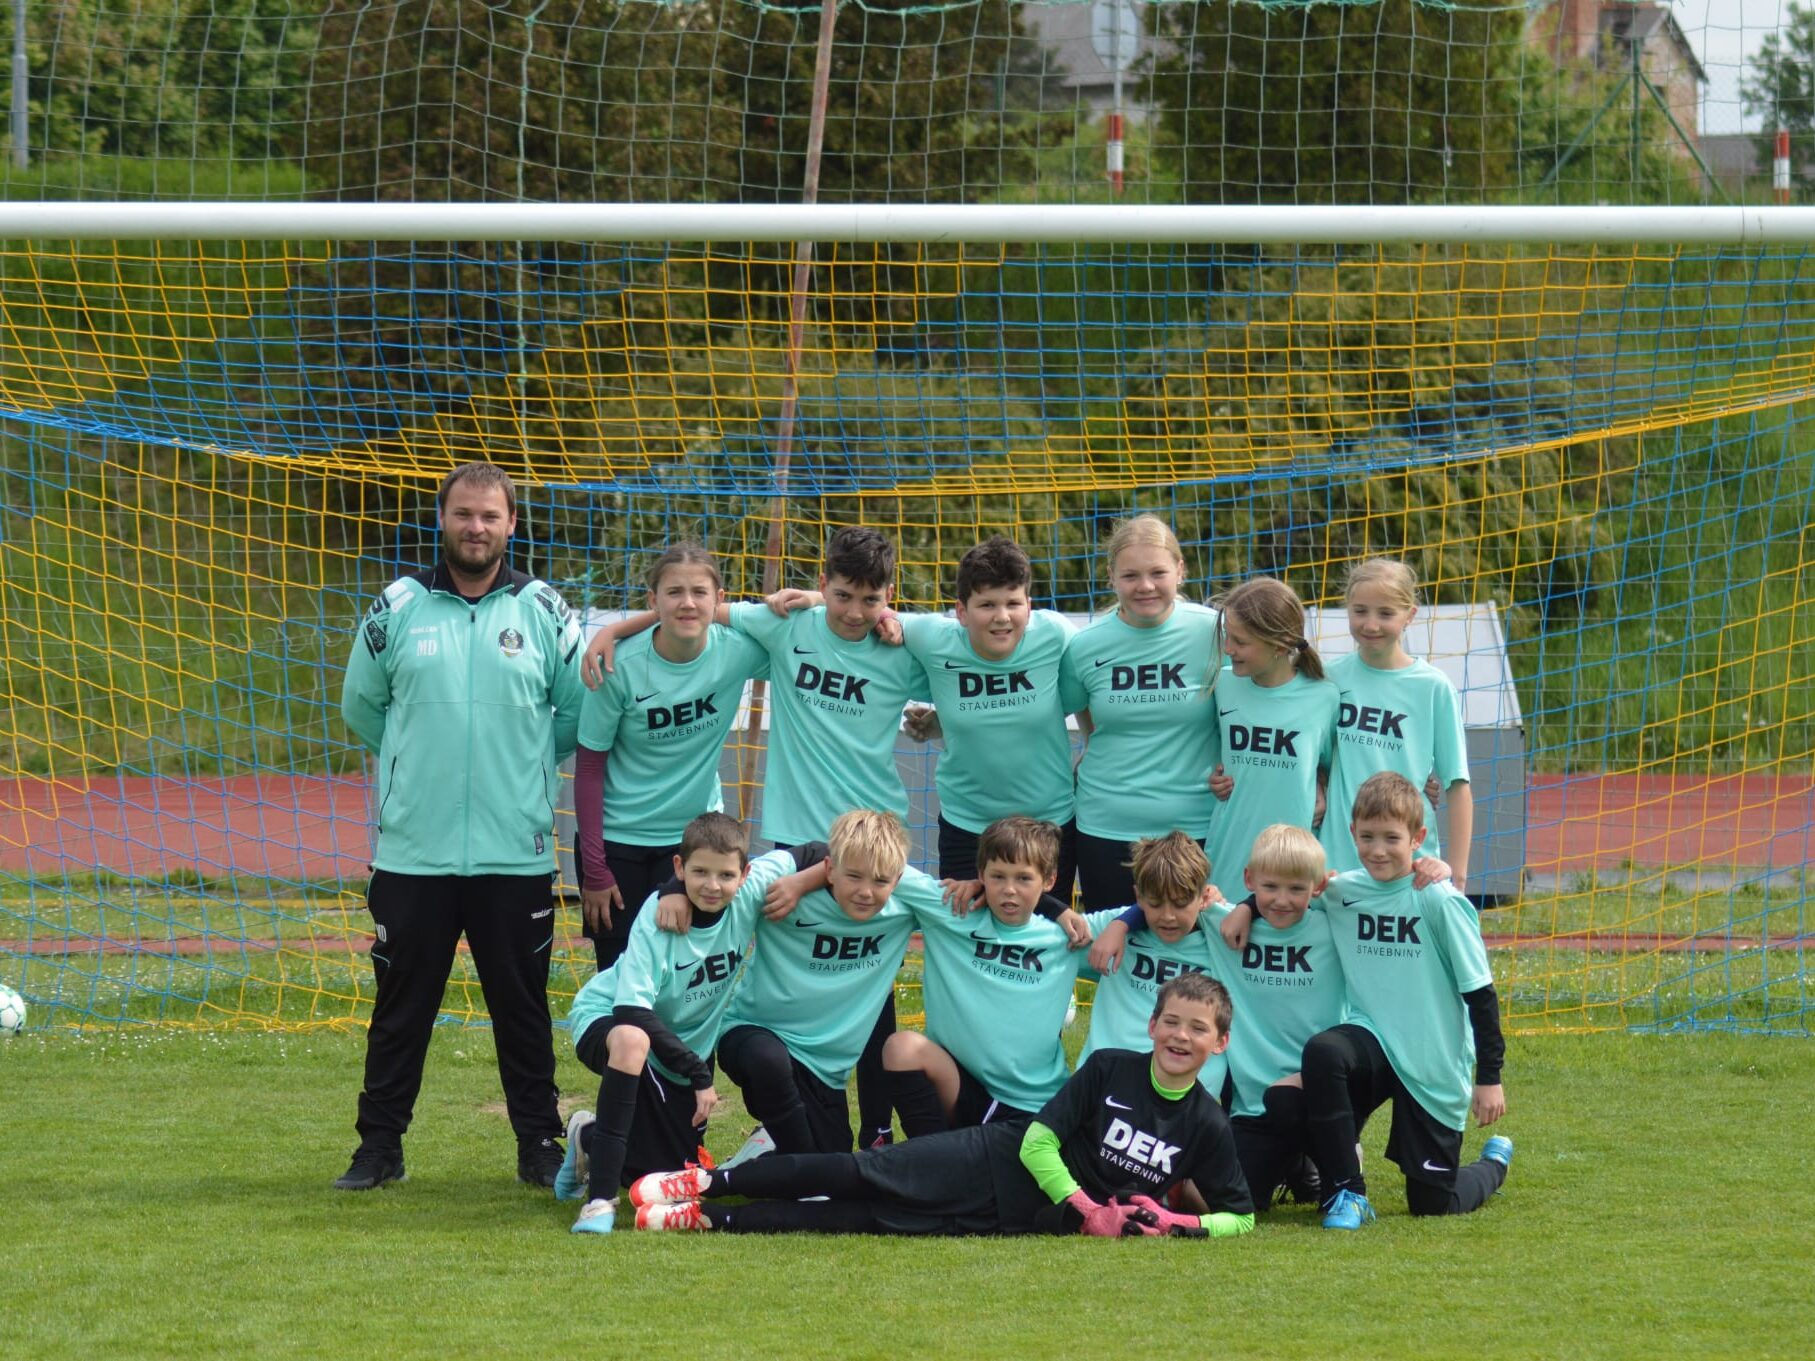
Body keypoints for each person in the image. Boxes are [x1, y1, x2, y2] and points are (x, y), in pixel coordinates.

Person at [582, 526, 928, 1150]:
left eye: (870, 599)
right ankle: (742, 1119)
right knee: (763, 983)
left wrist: (934, 716)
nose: (854, 612)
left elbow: (967, 667)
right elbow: (694, 609)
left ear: (889, 596)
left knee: (869, 988)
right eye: (842, 595)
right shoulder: (785, 626)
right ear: (823, 584)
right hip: (793, 842)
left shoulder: (903, 643)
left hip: (873, 844)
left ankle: (876, 1129)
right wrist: (612, 631)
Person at [335, 461, 584, 1191]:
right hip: (414, 851)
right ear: (442, 519)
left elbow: (574, 712)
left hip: (515, 851)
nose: (477, 527)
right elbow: (361, 705)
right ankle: (379, 1148)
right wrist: (415, 767)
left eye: (490, 515)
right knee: (400, 1009)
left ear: (511, 524)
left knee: (522, 1009)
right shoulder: (398, 606)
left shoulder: (543, 609)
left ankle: (538, 1144)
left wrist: (523, 766)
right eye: (464, 513)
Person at [621, 972, 1255, 1239]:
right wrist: (1089, 1208)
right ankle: (706, 1181)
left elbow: (1243, 1218)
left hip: (1017, 1218)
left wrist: (1178, 1223)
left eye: (1198, 1029)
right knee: (859, 1171)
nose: (1182, 1037)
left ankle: (708, 1219)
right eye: (1173, 1022)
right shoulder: (1112, 1068)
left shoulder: (1206, 1121)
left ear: (1220, 1042)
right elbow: (1038, 1141)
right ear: (1152, 1025)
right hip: (995, 1159)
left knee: (864, 1219)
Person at [558, 813, 820, 1235]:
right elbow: (631, 1010)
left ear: (745, 874)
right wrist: (698, 1073)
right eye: (699, 872)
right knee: (632, 1040)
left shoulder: (753, 888)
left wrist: (800, 883)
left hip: (679, 1045)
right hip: (610, 1018)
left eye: (725, 875)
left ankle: (587, 1137)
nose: (712, 885)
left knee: (660, 1176)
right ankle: (599, 1204)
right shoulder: (659, 916)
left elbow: (817, 852)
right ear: (679, 868)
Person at [1297, 771, 1511, 1229]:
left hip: (1430, 1056)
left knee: (1432, 1203)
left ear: (1417, 838)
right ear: (1352, 832)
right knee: (1323, 1053)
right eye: (1367, 837)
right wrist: (1241, 909)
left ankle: (1494, 1166)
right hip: (1372, 1040)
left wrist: (1489, 1078)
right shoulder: (1339, 892)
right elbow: (1282, 897)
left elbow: (1481, 995)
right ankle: (1346, 1192)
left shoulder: (1439, 901)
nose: (1378, 850)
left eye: (1391, 838)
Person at [572, 544, 768, 971]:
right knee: (619, 975)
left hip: (693, 843)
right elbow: (588, 770)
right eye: (674, 592)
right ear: (653, 599)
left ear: (719, 599)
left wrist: (872, 613)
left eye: (699, 592)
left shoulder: (737, 650)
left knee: (686, 975)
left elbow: (806, 632)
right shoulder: (617, 664)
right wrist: (595, 869)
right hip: (618, 844)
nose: (687, 602)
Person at [893, 536, 1084, 889]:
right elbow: (864, 611)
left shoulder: (1054, 635)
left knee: (1049, 925)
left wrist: (1094, 747)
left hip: (1047, 826)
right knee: (966, 926)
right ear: (961, 611)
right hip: (968, 829)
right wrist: (815, 598)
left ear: (1029, 606)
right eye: (987, 604)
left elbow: (1092, 683)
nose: (1002, 617)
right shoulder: (932, 639)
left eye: (1013, 603)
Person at [1060, 515, 1221, 910]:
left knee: (1195, 945)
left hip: (1196, 826)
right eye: (1130, 575)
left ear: (1180, 571)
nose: (1145, 586)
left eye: (1157, 573)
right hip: (1107, 826)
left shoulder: (1215, 632)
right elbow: (1080, 708)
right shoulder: (1085, 646)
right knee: (1113, 944)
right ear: (1111, 577)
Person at [884, 817, 1082, 1134]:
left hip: (1032, 1108)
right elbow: (874, 860)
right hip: (960, 1089)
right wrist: (805, 878)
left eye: (1024, 878)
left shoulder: (1068, 935)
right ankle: (931, 1154)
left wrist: (1056, 907)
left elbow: (1155, 910)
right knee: (901, 1048)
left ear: (1049, 880)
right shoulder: (951, 908)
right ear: (980, 875)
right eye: (997, 876)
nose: (1009, 889)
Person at [1210, 825, 1348, 1209]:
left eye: (1296, 889)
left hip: (1319, 1100)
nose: (1282, 900)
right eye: (1270, 887)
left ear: (1317, 887)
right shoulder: (1223, 925)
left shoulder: (1334, 925)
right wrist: (1123, 924)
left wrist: (1435, 868)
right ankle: (1295, 1164)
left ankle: (1332, 1155)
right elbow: (1166, 903)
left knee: (1336, 1197)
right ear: (1249, 879)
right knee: (1237, 1203)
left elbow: (1384, 891)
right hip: (1253, 1107)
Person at [1324, 557, 1473, 888]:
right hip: (1337, 865)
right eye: (1360, 611)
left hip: (1410, 870)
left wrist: (1458, 874)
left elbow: (1457, 783)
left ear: (1410, 615)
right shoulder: (1329, 679)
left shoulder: (1432, 687)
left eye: (1385, 613)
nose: (1371, 624)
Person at [1200, 577, 1340, 905]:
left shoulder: (1324, 697)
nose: (1228, 649)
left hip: (1292, 872)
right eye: (1227, 637)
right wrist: (1212, 776)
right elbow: (1206, 750)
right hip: (1230, 859)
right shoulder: (1222, 685)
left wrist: (1321, 785)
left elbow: (1333, 766)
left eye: (1240, 641)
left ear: (1279, 645)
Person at [1078, 832, 1229, 1102]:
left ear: (1204, 896)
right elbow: (1035, 928)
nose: (1168, 916)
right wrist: (1122, 922)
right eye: (1156, 904)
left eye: (1180, 904)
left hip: (1183, 1102)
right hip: (1103, 1088)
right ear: (1138, 896)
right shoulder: (1111, 929)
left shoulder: (1225, 934)